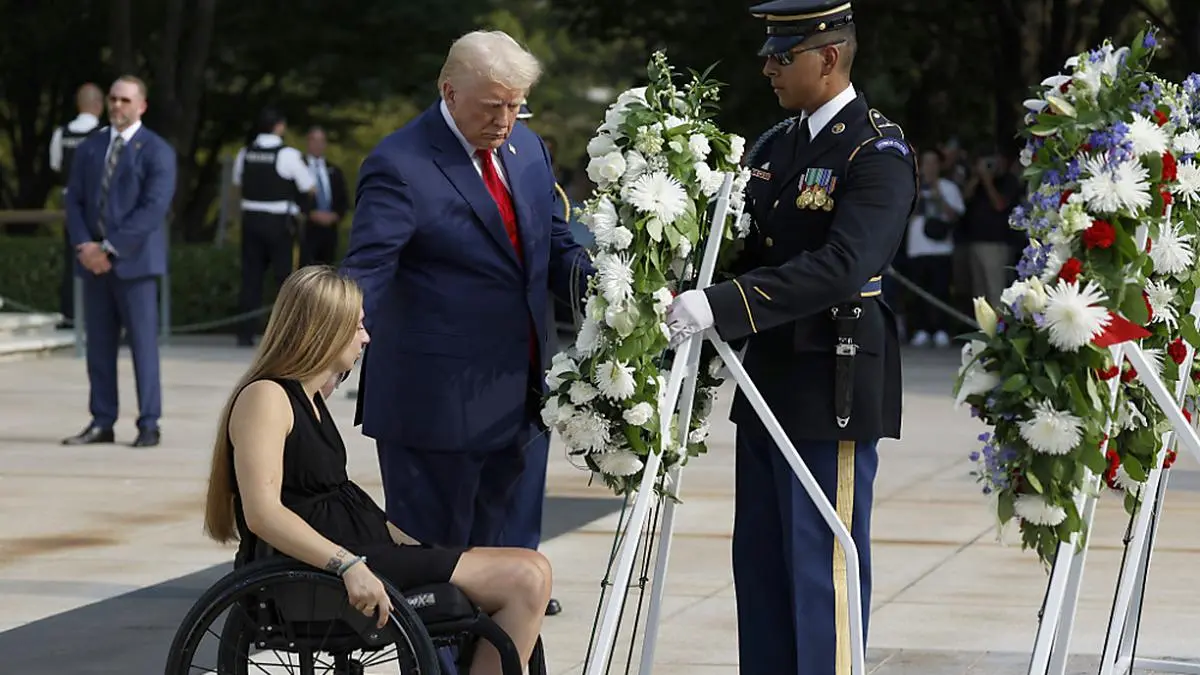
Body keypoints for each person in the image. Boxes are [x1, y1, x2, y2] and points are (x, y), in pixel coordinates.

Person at [665, 2, 918, 674]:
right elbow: (754, 249)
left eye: (783, 55)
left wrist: (721, 303)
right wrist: (687, 281)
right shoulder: (778, 144)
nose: (767, 66)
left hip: (830, 377)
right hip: (770, 375)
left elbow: (844, 264)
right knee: (763, 560)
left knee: (820, 562)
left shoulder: (876, 149)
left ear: (828, 57)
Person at [340, 30, 593, 616]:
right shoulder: (400, 163)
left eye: (515, 105)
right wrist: (329, 343)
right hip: (435, 415)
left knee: (515, 580)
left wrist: (613, 285)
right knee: (439, 589)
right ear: (449, 91)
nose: (505, 120)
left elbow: (552, 245)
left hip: (522, 404)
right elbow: (368, 271)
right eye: (491, 106)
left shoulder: (528, 150)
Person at [202, 266, 552, 674]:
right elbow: (263, 513)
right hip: (318, 571)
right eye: (358, 326)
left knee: (534, 567)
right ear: (325, 329)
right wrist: (346, 564)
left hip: (363, 551)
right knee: (525, 580)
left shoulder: (309, 399)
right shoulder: (266, 397)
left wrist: (414, 546)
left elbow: (336, 499)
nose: (366, 337)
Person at [62, 75, 177, 449]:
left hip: (135, 266)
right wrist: (84, 245)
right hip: (93, 264)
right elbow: (74, 200)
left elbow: (152, 209)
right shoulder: (91, 148)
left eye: (125, 100)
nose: (117, 106)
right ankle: (102, 420)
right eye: (113, 99)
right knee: (98, 347)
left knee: (143, 347)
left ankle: (149, 423)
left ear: (141, 105)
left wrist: (109, 249)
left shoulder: (157, 150)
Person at [232, 108, 316, 347]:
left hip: (251, 220)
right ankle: (284, 336)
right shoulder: (287, 154)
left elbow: (238, 183)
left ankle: (245, 334)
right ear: (279, 126)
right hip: (279, 223)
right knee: (284, 278)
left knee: (250, 277)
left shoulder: (245, 153)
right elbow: (309, 187)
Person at [49, 83, 105, 326]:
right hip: (99, 202)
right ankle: (100, 314)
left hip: (70, 202)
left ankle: (70, 313)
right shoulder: (104, 133)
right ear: (99, 105)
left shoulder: (61, 133)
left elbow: (56, 165)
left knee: (72, 256)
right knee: (101, 256)